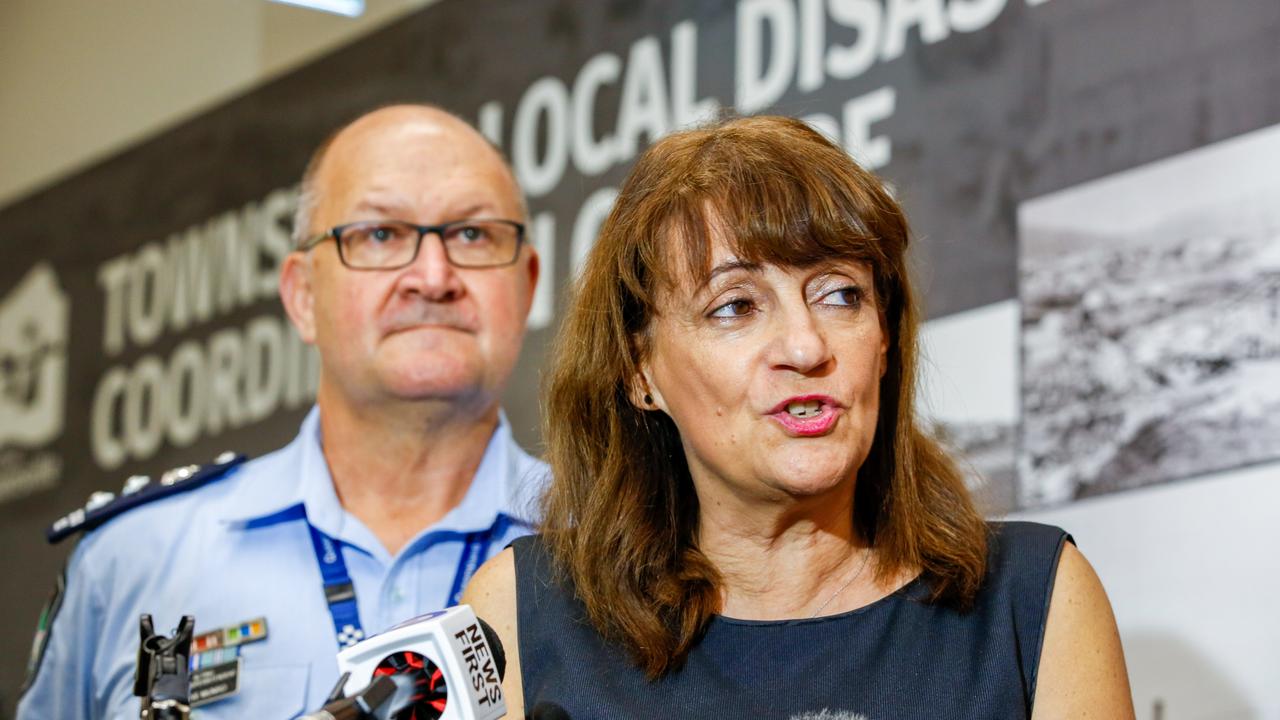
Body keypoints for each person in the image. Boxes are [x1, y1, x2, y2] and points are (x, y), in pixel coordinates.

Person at [464, 115, 1135, 718]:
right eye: (735, 306)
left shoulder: (1029, 602)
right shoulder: (522, 621)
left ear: (884, 341)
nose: (807, 347)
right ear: (640, 372)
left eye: (841, 295)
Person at [18, 104, 546, 719]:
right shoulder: (131, 563)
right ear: (301, 295)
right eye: (380, 235)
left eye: (473, 235)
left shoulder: (625, 548)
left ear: (528, 285)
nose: (432, 277)